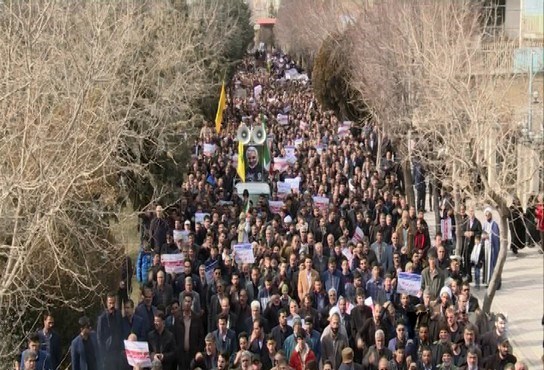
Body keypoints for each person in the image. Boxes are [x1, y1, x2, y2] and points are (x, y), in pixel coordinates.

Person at [97, 292, 124, 369]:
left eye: (113, 303)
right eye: (110, 303)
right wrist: (103, 353)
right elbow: (99, 337)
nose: (112, 305)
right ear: (107, 303)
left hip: (118, 351)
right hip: (108, 352)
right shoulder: (102, 319)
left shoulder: (118, 314)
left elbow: (121, 330)